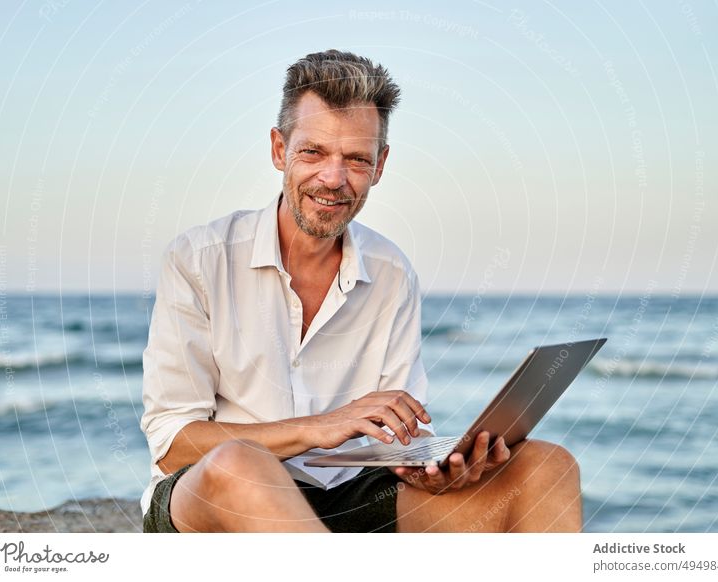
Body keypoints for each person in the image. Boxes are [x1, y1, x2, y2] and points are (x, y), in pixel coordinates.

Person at [140, 49, 582, 533]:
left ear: (380, 165)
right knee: (240, 464)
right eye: (313, 152)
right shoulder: (200, 258)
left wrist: (433, 467)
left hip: (352, 495)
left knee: (546, 466)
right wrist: (319, 428)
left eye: (355, 159)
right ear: (278, 149)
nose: (333, 179)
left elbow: (402, 430)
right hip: (215, 496)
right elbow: (172, 442)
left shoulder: (392, 272)